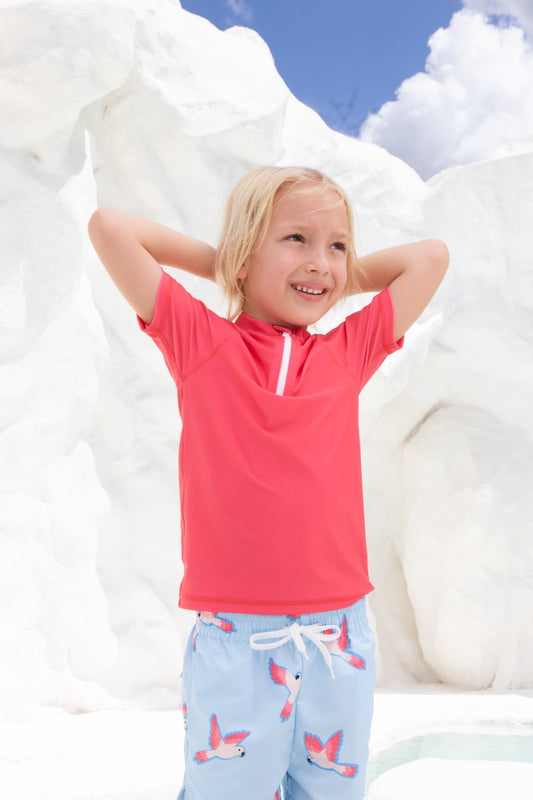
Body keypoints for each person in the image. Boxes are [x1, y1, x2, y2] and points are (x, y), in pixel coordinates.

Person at [88, 165, 449, 800]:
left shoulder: (346, 353)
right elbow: (112, 229)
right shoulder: (200, 342)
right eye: (295, 240)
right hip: (237, 636)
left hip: (340, 634)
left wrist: (332, 279)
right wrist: (227, 265)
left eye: (337, 246)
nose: (322, 262)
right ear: (245, 251)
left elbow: (429, 257)